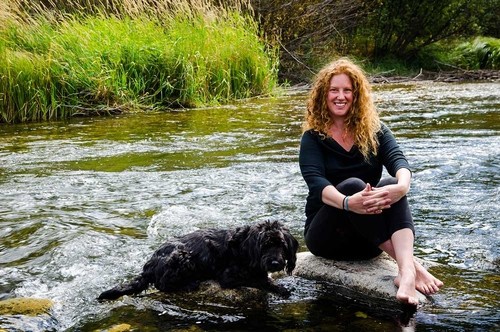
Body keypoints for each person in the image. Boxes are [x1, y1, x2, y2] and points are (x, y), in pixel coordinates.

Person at [298, 58, 443, 306]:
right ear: (324, 94)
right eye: (334, 90)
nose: (340, 96)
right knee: (354, 185)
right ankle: (411, 266)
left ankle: (406, 271)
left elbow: (400, 162)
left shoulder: (375, 130)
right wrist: (346, 203)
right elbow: (317, 184)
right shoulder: (312, 138)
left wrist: (401, 187)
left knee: (390, 185)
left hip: (369, 241)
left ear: (356, 96)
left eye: (347, 90)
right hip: (328, 237)